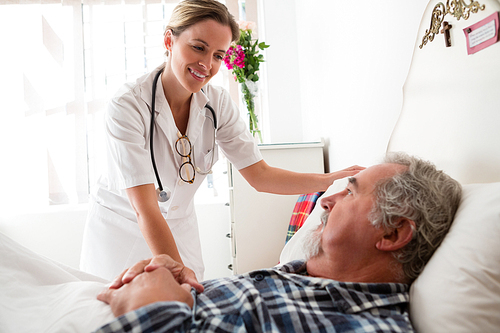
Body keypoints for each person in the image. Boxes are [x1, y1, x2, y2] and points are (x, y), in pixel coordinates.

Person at [79, 0, 363, 282]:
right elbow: (146, 207)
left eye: (218, 55)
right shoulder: (128, 105)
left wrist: (331, 180)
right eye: (198, 47)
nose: (207, 64)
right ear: (169, 40)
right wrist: (179, 275)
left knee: (184, 312)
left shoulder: (217, 105)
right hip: (122, 227)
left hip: (178, 227)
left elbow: (260, 176)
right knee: (115, 313)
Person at [94, 152, 462, 332]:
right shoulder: (295, 277)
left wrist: (148, 298)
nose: (325, 200)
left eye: (350, 193)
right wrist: (166, 276)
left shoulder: (360, 326)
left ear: (392, 233)